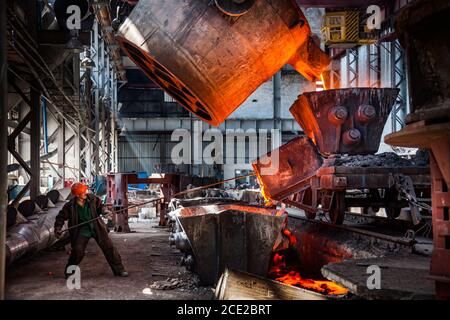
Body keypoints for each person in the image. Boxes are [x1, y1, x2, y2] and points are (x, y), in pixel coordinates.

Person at [54, 182, 128, 278]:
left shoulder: (92, 198)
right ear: (77, 195)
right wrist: (58, 228)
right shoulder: (70, 206)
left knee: (109, 248)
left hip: (96, 227)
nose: (85, 194)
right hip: (81, 229)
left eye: (85, 191)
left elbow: (101, 206)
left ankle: (119, 270)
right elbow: (60, 217)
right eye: (82, 193)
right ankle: (70, 271)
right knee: (78, 251)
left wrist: (104, 212)